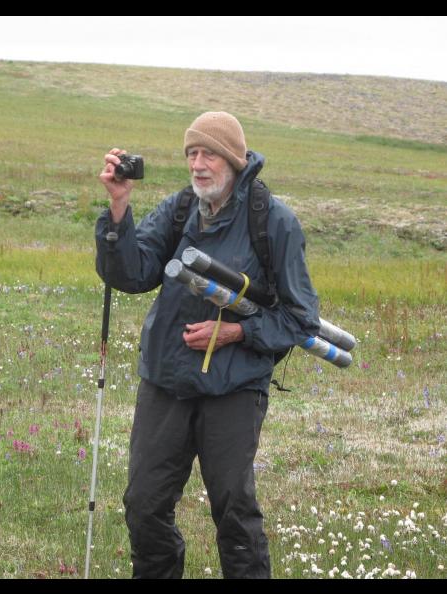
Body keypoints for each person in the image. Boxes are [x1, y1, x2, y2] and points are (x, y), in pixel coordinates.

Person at [95, 111, 320, 579]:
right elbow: (130, 274)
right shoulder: (180, 209)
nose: (198, 164)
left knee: (234, 511)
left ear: (234, 160)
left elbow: (300, 319)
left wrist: (234, 333)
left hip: (235, 385)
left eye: (209, 154)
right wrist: (119, 208)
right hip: (167, 379)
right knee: (144, 504)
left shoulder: (272, 221)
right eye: (192, 154)